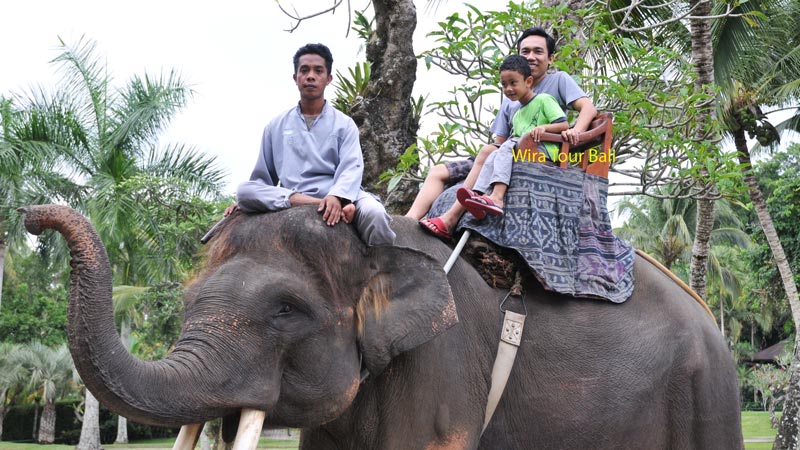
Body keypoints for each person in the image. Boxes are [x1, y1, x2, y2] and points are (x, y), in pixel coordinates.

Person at [414, 27, 597, 239]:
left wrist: (575, 131)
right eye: (525, 51)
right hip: (502, 151)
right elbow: (499, 139)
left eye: (538, 51)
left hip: (529, 152)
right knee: (438, 171)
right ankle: (407, 224)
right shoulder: (511, 96)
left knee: (487, 153)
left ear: (550, 58)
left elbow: (589, 108)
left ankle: (451, 217)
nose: (531, 57)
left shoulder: (558, 81)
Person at [226, 43, 396, 246]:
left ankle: (380, 268)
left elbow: (351, 168)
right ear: (295, 78)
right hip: (293, 196)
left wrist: (337, 196)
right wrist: (246, 203)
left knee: (375, 214)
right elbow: (262, 180)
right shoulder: (275, 126)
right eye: (304, 70)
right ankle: (319, 204)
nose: (310, 76)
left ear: (328, 79)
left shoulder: (344, 124)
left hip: (341, 194)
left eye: (318, 71)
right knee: (245, 190)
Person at [457, 54, 568, 220]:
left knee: (507, 146)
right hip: (521, 149)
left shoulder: (544, 100)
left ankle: (497, 197)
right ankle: (478, 194)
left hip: (542, 151)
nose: (508, 88)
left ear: (528, 82)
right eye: (504, 85)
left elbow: (564, 125)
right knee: (494, 153)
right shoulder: (517, 114)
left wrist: (544, 128)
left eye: (513, 83)